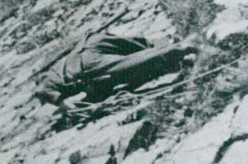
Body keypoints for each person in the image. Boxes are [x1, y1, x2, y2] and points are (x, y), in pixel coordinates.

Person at [36, 28, 197, 106]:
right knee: (141, 48)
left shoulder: (48, 84)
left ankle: (183, 48)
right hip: (92, 41)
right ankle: (171, 45)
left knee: (132, 64)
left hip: (87, 63)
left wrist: (63, 104)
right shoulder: (56, 68)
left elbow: (41, 91)